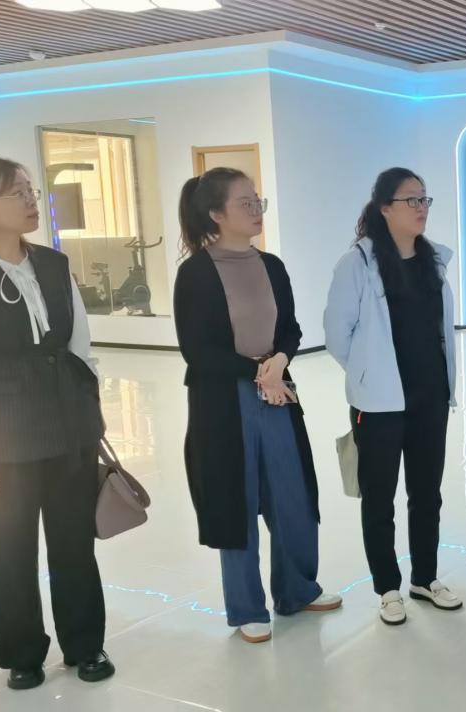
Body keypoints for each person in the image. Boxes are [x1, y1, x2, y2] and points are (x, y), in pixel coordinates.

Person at [0, 156, 113, 690]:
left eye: (31, 190)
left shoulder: (53, 265)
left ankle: (85, 644)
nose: (32, 201)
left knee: (75, 544)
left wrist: (92, 419)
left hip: (70, 427)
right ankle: (22, 652)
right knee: (10, 550)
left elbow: (81, 350)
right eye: (17, 193)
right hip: (3, 435)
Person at [173, 167, 340, 645]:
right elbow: (198, 351)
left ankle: (298, 589)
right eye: (244, 203)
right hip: (225, 401)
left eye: (257, 201)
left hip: (277, 390)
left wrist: (279, 360)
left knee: (293, 495)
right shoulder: (196, 273)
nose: (255, 210)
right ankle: (247, 607)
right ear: (216, 213)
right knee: (237, 501)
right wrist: (256, 371)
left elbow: (290, 328)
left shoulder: (272, 266)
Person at [324, 167, 460, 626]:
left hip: (430, 397)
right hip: (379, 403)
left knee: (427, 494)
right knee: (379, 498)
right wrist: (367, 375)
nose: (422, 208)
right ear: (385, 208)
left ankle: (425, 578)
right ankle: (387, 588)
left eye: (425, 199)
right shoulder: (358, 263)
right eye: (411, 200)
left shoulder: (432, 261)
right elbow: (337, 333)